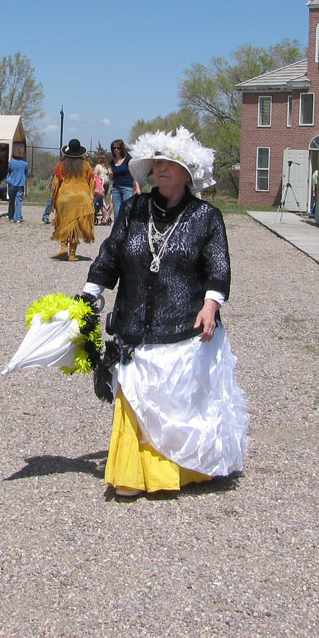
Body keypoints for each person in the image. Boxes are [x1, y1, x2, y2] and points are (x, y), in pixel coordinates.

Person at [81, 126, 248, 499]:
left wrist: (210, 304)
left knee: (180, 404)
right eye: (157, 162)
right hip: (134, 322)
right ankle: (133, 475)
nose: (162, 168)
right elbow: (112, 252)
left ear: (187, 171)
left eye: (170, 163)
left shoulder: (207, 216)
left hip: (183, 325)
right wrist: (90, 292)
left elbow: (218, 268)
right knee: (137, 400)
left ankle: (180, 473)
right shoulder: (136, 209)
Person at [48, 139, 96, 262]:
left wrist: (54, 198)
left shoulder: (62, 164)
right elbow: (92, 181)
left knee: (64, 222)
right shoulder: (85, 165)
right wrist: (90, 196)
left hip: (65, 196)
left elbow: (56, 182)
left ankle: (64, 246)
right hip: (81, 198)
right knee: (75, 225)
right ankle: (72, 254)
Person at [107, 139, 140, 223]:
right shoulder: (112, 162)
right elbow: (112, 178)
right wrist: (111, 176)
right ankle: (118, 231)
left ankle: (127, 230)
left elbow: (134, 173)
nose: (116, 150)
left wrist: (137, 187)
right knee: (117, 211)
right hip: (116, 188)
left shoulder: (128, 159)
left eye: (118, 148)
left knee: (127, 210)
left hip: (127, 187)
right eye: (114, 148)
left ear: (122, 148)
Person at [6, 146, 29, 222]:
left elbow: (9, 172)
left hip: (12, 183)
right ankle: (18, 217)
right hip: (21, 183)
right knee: (19, 201)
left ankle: (11, 216)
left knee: (11, 201)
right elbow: (26, 173)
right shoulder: (25, 164)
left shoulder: (11, 163)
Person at [91, 152, 110, 225]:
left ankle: (95, 215)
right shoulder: (107, 167)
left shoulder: (98, 166)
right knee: (101, 200)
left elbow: (95, 175)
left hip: (99, 185)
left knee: (96, 201)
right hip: (106, 184)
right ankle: (105, 216)